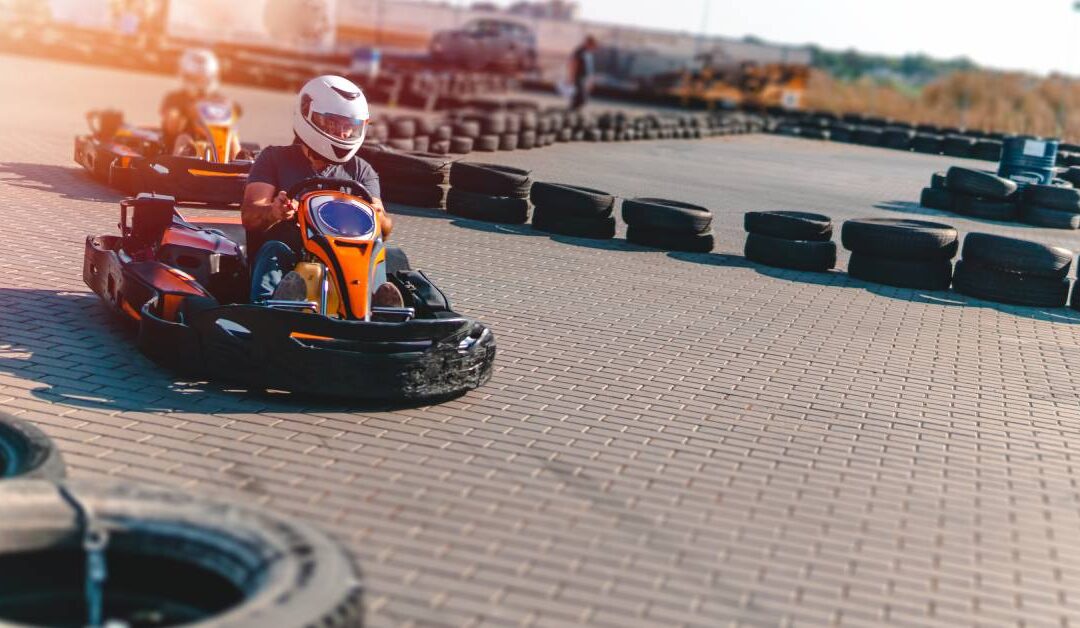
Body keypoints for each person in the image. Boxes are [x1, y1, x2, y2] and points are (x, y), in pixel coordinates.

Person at [241, 74, 403, 308]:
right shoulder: (274, 158)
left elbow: (384, 228)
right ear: (309, 116)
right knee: (275, 248)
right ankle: (268, 306)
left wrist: (379, 217)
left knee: (378, 251)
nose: (344, 133)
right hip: (293, 250)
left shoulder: (361, 171)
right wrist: (274, 211)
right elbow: (249, 215)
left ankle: (378, 312)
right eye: (335, 124)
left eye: (350, 126)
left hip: (344, 255)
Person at [160, 48, 238, 157]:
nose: (199, 83)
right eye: (195, 79)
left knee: (232, 137)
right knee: (183, 139)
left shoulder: (219, 99)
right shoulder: (175, 98)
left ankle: (239, 164)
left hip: (215, 146)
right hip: (186, 146)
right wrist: (185, 113)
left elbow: (229, 121)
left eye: (203, 79)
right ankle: (178, 164)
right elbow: (171, 125)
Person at [568, 35, 598, 111]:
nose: (593, 48)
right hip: (578, 75)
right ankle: (573, 107)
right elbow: (574, 63)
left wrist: (591, 78)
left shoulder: (588, 52)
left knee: (581, 93)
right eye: (592, 45)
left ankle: (575, 107)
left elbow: (589, 66)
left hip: (584, 76)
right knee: (578, 93)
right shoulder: (579, 51)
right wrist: (572, 75)